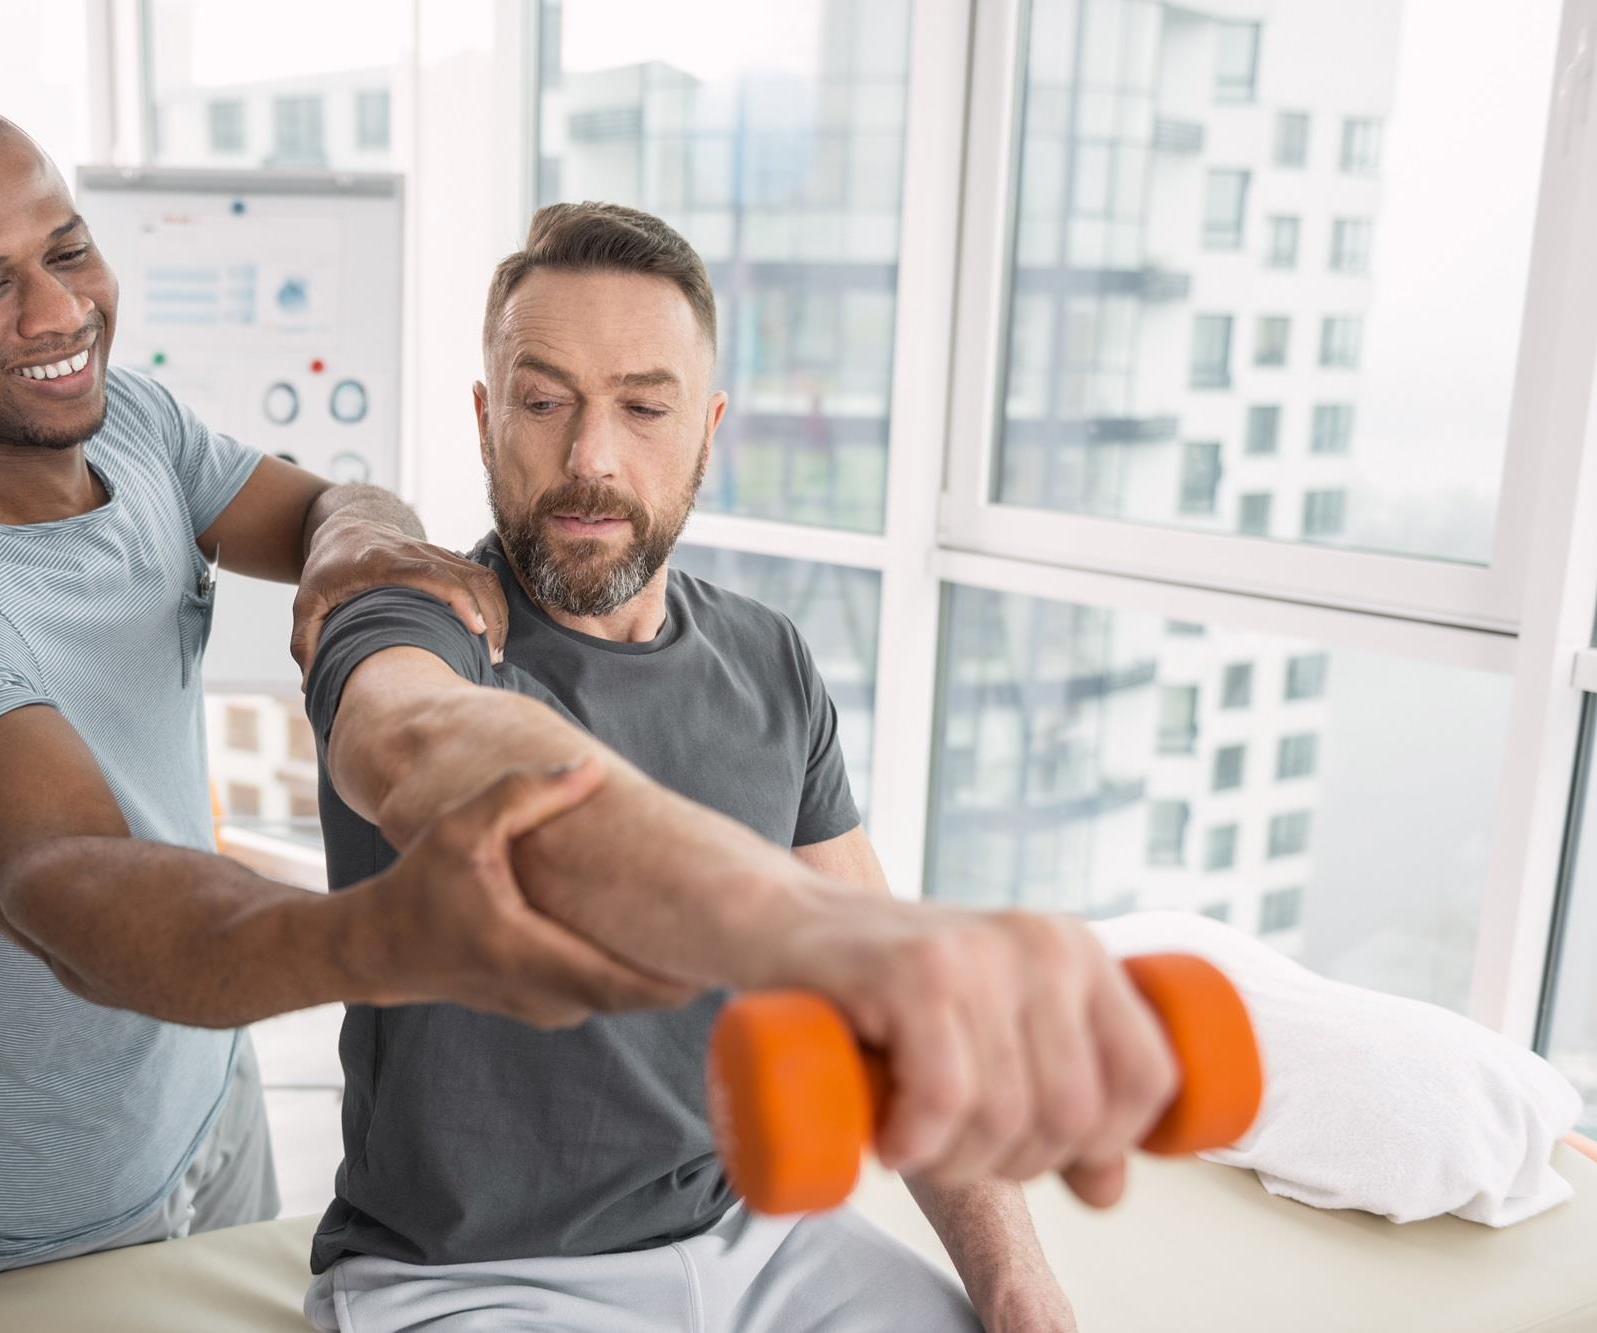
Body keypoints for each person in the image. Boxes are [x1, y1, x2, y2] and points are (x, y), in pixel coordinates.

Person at [0, 91, 689, 1278]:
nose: (60, 311)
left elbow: (323, 505)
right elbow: (73, 886)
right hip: (48, 1189)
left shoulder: (122, 431)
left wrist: (358, 539)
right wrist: (385, 934)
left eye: (67, 250)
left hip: (206, 1088)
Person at [296, 202, 1180, 1331]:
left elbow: (883, 1009)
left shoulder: (768, 658)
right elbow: (410, 745)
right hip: (472, 1279)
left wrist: (1015, 1280)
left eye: (643, 407)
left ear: (707, 431)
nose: (589, 458)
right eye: (542, 399)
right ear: (484, 420)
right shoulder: (410, 626)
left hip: (757, 1241)